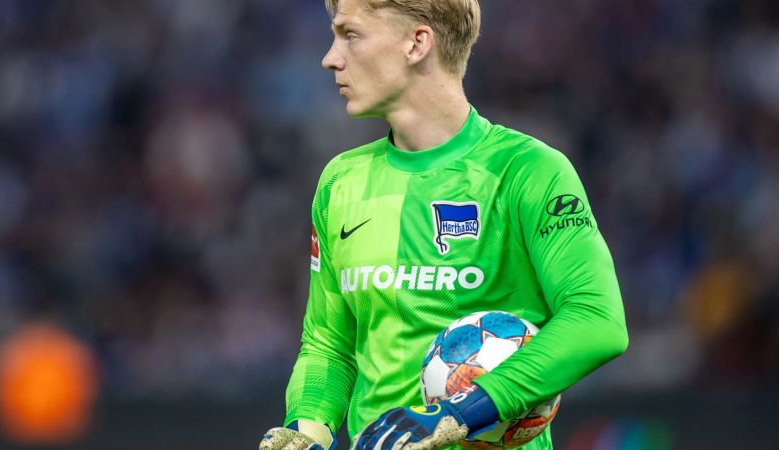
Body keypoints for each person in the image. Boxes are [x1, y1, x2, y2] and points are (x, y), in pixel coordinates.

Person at [259, 0, 629, 449]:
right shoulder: (341, 181)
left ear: (417, 43)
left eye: (350, 34)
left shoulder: (528, 171)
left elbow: (597, 320)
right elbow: (329, 345)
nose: (330, 57)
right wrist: (306, 429)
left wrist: (461, 412)